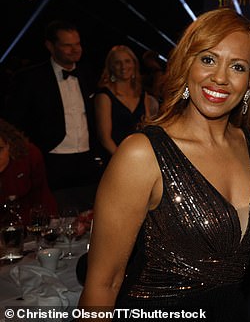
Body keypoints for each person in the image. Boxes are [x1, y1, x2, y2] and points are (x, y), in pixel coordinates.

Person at [78, 8, 250, 320]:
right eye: (208, 59)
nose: (220, 77)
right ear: (188, 64)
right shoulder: (142, 154)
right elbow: (103, 284)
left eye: (237, 66)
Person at [5, 20, 101, 211]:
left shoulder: (89, 74)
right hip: (51, 159)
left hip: (87, 159)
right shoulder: (30, 78)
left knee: (88, 215)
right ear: (50, 46)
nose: (75, 49)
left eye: (77, 44)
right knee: (53, 215)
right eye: (67, 45)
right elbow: (14, 121)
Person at [94, 45, 159, 156]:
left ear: (134, 64)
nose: (123, 66)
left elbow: (147, 128)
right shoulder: (104, 96)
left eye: (127, 61)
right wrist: (123, 161)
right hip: (114, 158)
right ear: (111, 67)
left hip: (140, 156)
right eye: (117, 63)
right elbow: (105, 139)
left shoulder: (142, 95)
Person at [0, 119, 57, 224]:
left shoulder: (29, 155)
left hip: (28, 225)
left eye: (0, 149)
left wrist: (51, 222)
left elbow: (42, 196)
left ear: (9, 144)